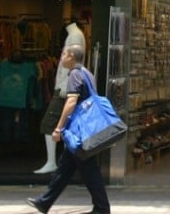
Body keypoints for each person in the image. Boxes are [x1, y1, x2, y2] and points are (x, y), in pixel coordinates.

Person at [27, 44, 110, 214]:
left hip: (79, 131)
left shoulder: (75, 74)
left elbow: (71, 101)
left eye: (63, 54)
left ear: (71, 56)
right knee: (65, 168)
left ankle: (102, 208)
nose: (61, 57)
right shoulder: (87, 73)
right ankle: (45, 202)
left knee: (89, 170)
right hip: (85, 129)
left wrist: (59, 128)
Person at [35, 18, 86, 174]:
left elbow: (72, 62)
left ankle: (53, 162)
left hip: (66, 87)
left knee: (50, 123)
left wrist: (65, 86)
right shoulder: (76, 35)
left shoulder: (74, 36)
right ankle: (64, 162)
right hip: (66, 86)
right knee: (66, 125)